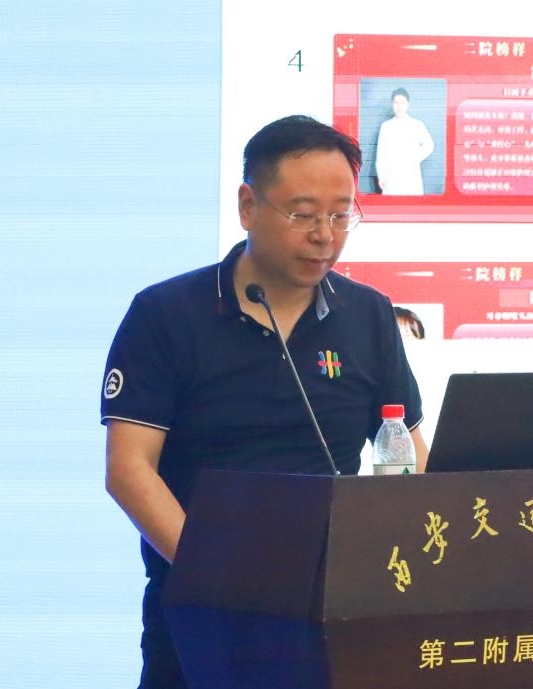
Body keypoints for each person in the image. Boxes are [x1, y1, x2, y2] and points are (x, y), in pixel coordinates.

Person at [101, 115, 428, 689]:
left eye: (340, 215)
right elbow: (129, 470)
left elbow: (406, 449)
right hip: (204, 616)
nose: (325, 235)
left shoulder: (369, 315)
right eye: (303, 214)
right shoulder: (166, 314)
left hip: (335, 612)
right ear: (248, 206)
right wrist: (218, 576)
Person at [375, 87, 435, 195]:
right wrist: (381, 176)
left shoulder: (417, 125)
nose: (399, 106)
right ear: (392, 104)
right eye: (396, 103)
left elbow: (429, 145)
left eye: (402, 102)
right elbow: (380, 155)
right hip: (391, 176)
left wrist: (415, 158)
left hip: (410, 176)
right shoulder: (386, 127)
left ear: (408, 104)